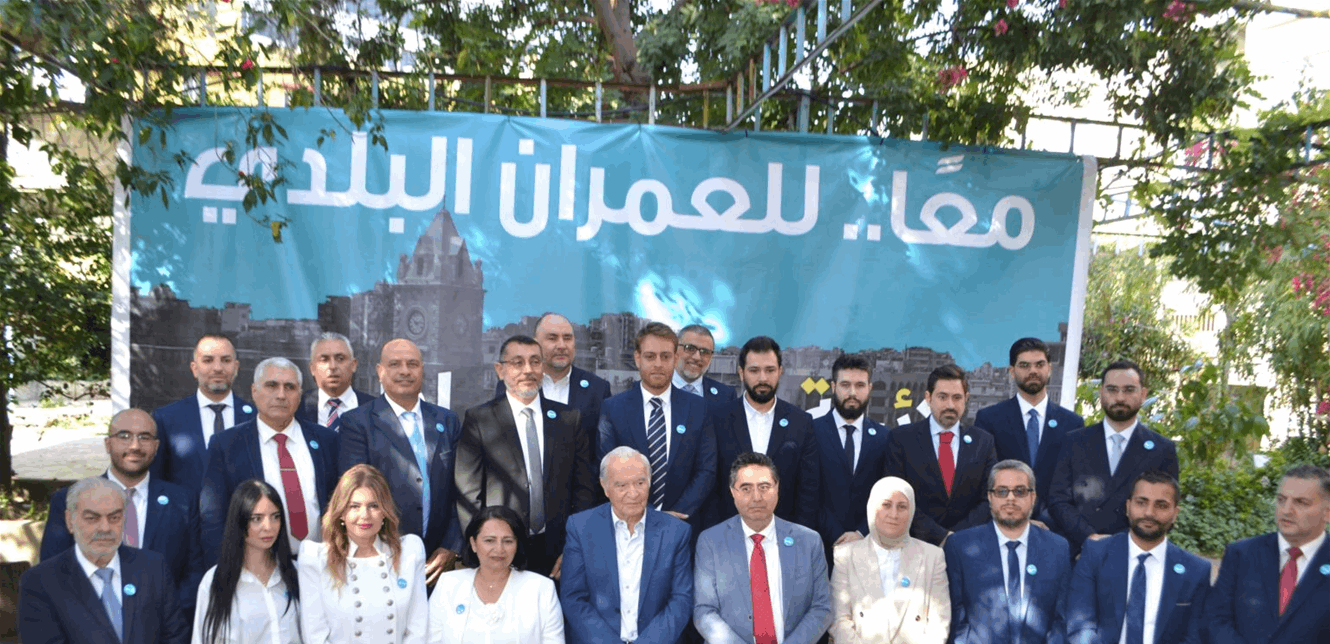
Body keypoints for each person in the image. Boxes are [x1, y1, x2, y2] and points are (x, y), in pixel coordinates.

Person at [41, 409, 204, 622]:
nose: (135, 446)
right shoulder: (69, 499)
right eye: (124, 436)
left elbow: (194, 572)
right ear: (108, 444)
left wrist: (164, 616)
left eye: (144, 437)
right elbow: (54, 572)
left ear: (156, 446)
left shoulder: (183, 501)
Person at [456, 334, 598, 577]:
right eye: (517, 362)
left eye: (535, 362)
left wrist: (574, 546)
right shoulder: (479, 420)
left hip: (558, 553)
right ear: (500, 370)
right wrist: (485, 549)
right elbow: (468, 494)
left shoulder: (569, 419)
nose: (528, 370)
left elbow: (584, 490)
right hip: (500, 553)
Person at [339, 338, 464, 585]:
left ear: (422, 370)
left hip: (437, 564)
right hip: (380, 561)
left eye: (412, 364)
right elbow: (356, 494)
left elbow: (460, 491)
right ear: (380, 372)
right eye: (395, 364)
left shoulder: (447, 421)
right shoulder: (357, 423)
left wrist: (451, 546)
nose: (405, 371)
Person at [201, 358, 341, 562]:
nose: (281, 395)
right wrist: (225, 570)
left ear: (300, 394)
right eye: (272, 385)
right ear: (254, 391)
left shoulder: (327, 441)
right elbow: (213, 518)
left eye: (290, 387)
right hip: (258, 567)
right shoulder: (226, 446)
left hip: (322, 563)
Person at [19, 477, 188, 644]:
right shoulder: (40, 582)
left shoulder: (152, 567)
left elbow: (175, 636)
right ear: (70, 521)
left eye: (114, 518)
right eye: (92, 518)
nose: (105, 528)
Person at [693, 452, 832, 644]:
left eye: (764, 487)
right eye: (746, 488)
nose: (756, 497)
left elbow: (822, 607)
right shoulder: (711, 542)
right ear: (733, 492)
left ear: (777, 488)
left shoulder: (808, 541)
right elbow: (704, 611)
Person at [560, 447, 693, 644]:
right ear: (605, 487)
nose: (633, 493)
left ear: (650, 482)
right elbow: (573, 598)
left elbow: (681, 600)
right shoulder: (581, 527)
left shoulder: (675, 532)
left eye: (640, 483)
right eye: (621, 485)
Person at [1063, 471, 1210, 644]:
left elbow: (1194, 637)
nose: (1149, 513)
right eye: (1141, 502)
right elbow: (1080, 626)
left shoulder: (1196, 570)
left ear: (1175, 513)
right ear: (1128, 507)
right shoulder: (1096, 554)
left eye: (1161, 505)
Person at [1048, 360, 1178, 554]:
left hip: (1133, 554)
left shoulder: (1162, 449)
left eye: (1129, 390)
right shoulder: (1074, 442)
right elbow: (1058, 500)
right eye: (1112, 390)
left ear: (1143, 394)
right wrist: (1088, 537)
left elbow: (1165, 507)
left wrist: (1121, 544)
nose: (1120, 397)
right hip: (1078, 551)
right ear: (1101, 393)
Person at [598, 322, 717, 529]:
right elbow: (608, 470)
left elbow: (706, 470)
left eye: (665, 356)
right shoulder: (613, 409)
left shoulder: (699, 409)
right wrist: (647, 514)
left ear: (676, 358)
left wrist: (674, 517)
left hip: (682, 525)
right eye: (650, 356)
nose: (658, 364)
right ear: (638, 358)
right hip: (630, 524)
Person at [943, 460, 1071, 644]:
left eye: (1020, 491)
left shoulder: (1057, 548)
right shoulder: (960, 547)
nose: (1010, 498)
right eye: (1002, 491)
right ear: (990, 497)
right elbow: (955, 616)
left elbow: (1061, 619)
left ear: (1033, 497)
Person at [298, 464, 428, 644]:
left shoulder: (409, 552)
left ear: (384, 511)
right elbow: (315, 636)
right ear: (341, 513)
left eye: (373, 506)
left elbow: (418, 629)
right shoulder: (316, 559)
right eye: (354, 506)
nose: (364, 515)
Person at [1205, 464, 1330, 644]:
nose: (1286, 510)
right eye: (1281, 500)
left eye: (1301, 502)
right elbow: (1216, 619)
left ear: (1327, 513)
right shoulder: (1242, 554)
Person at [706, 336, 819, 530]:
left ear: (780, 371)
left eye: (770, 370)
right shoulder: (717, 419)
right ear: (741, 373)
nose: (763, 378)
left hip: (783, 535)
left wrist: (797, 537)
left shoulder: (801, 422)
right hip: (728, 533)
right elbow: (710, 484)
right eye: (754, 370)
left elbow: (808, 490)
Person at [883, 365, 997, 546]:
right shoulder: (902, 439)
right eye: (942, 397)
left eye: (957, 397)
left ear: (966, 398)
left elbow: (988, 498)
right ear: (928, 398)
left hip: (968, 545)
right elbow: (898, 496)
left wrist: (956, 538)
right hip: (914, 546)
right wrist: (939, 536)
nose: (950, 405)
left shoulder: (983, 442)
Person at [974, 338, 1084, 524]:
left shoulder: (1072, 423)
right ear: (1012, 371)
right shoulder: (989, 419)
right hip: (1003, 524)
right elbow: (983, 481)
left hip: (1055, 528)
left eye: (1039, 364)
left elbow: (1074, 485)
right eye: (1024, 365)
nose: (1033, 371)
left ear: (1049, 368)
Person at [830, 476, 949, 644]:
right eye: (886, 505)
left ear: (912, 512)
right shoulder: (845, 556)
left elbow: (939, 623)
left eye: (902, 507)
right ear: (872, 507)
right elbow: (839, 620)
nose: (894, 514)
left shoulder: (933, 556)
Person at [428, 506, 565, 644]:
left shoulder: (542, 589)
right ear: (473, 543)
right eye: (489, 540)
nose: (499, 549)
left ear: (517, 545)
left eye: (508, 541)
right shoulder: (448, 584)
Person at [191, 479, 301, 644]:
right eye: (257, 519)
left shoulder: (297, 573)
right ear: (239, 522)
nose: (268, 526)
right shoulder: (214, 581)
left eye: (275, 517)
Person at [151, 334, 256, 494]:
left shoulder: (256, 417)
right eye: (208, 360)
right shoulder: (165, 418)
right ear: (194, 368)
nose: (218, 368)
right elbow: (157, 480)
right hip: (186, 510)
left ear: (236, 367)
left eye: (226, 360)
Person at [813, 353, 890, 560]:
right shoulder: (811, 432)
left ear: (870, 388)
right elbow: (808, 492)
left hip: (870, 549)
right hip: (821, 549)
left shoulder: (884, 437)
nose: (852, 393)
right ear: (833, 387)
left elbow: (886, 493)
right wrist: (836, 535)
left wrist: (861, 533)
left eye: (860, 385)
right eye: (845, 385)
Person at [496, 313, 612, 432]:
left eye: (567, 338)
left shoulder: (597, 389)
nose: (562, 346)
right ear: (536, 344)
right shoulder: (513, 385)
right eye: (552, 338)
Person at [297, 332, 373, 430]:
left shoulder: (376, 409)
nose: (332, 366)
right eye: (324, 359)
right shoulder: (297, 408)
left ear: (353, 365)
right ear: (312, 368)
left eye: (340, 359)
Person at [672, 323, 736, 405]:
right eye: (690, 348)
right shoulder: (656, 388)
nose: (697, 357)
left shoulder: (726, 397)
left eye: (705, 352)